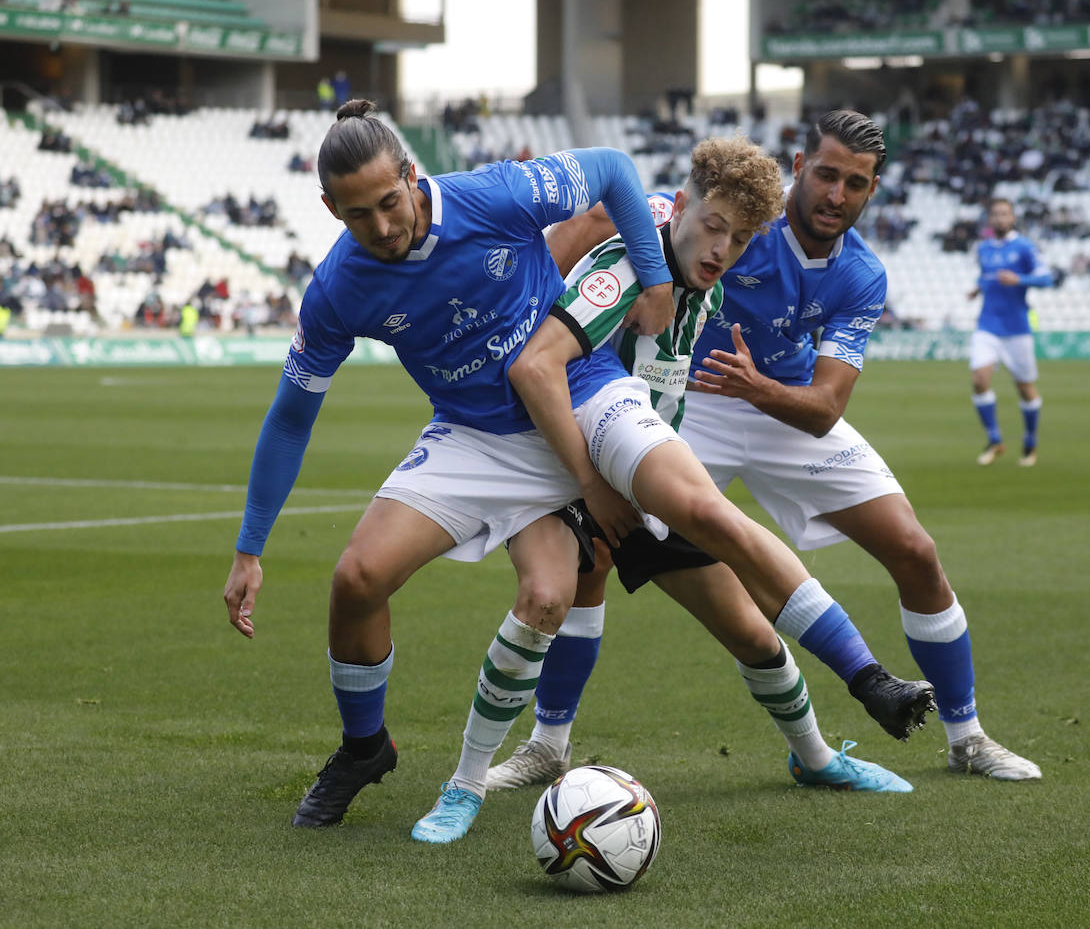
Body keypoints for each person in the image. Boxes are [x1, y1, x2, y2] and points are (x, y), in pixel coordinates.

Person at [410, 135, 941, 844]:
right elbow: (596, 226)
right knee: (549, 596)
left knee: (752, 631)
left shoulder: (706, 280)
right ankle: (472, 778)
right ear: (682, 206)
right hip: (571, 456)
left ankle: (814, 757)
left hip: (643, 463)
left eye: (744, 237)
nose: (724, 248)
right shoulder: (636, 261)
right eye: (715, 227)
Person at [519, 110, 1042, 782]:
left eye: (855, 183)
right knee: (591, 552)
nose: (835, 194)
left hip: (781, 403)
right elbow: (600, 217)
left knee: (914, 548)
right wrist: (539, 317)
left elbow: (825, 409)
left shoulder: (861, 274)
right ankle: (548, 742)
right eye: (826, 174)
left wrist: (758, 386)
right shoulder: (739, 217)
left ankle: (965, 737)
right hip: (688, 399)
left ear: (872, 191)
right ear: (799, 168)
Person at [222, 98, 677, 829]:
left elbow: (615, 173)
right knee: (356, 578)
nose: (380, 228)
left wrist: (656, 280)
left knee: (551, 596)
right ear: (328, 208)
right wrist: (250, 547)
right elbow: (290, 415)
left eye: (389, 202)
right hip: (470, 434)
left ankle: (487, 769)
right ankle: (364, 746)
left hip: (565, 407)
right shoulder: (339, 287)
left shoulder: (495, 196)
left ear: (411, 174)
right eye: (356, 215)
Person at [966, 197, 1052, 467]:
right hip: (987, 325)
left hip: (1017, 329)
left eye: (1005, 214)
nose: (1000, 219)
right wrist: (978, 288)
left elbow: (1047, 278)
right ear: (990, 220)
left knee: (1025, 388)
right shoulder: (983, 249)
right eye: (996, 214)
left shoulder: (1024, 247)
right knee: (980, 380)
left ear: (1013, 218)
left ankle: (1030, 441)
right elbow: (986, 275)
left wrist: (1020, 279)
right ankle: (994, 439)